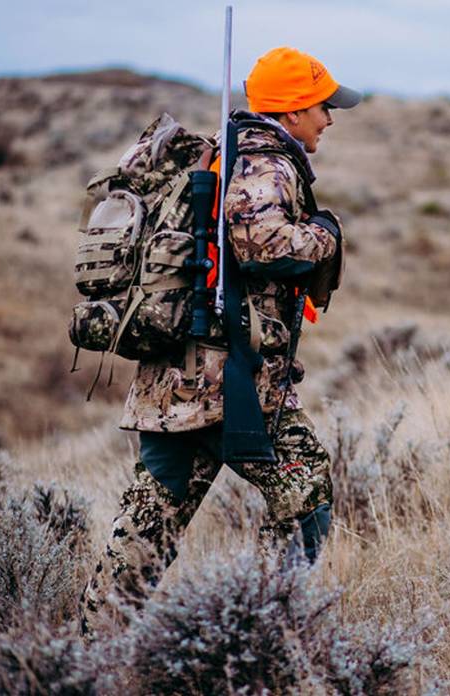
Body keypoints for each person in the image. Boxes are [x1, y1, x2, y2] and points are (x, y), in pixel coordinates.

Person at [78, 46, 360, 639]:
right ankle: (267, 628)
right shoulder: (266, 164)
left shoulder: (222, 154)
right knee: (305, 487)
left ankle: (92, 647)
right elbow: (264, 245)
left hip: (174, 379)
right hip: (229, 382)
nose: (330, 119)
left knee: (152, 517)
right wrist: (325, 234)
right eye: (322, 106)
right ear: (292, 111)